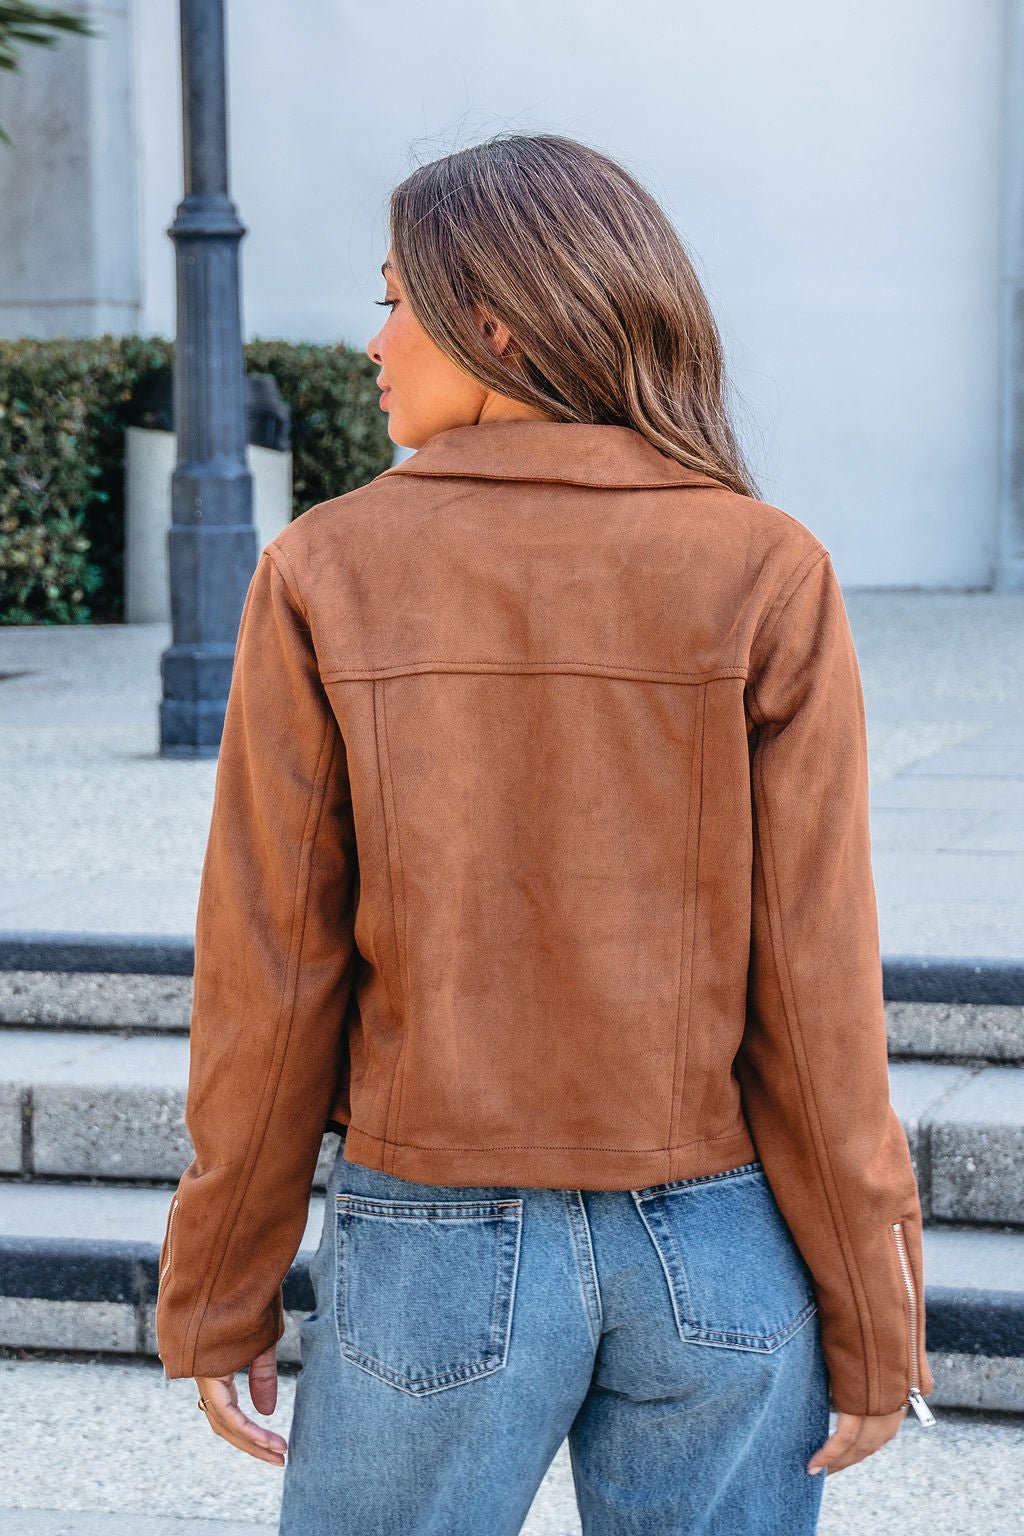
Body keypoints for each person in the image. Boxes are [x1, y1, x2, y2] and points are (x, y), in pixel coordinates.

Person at [155, 131, 936, 1535]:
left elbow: (271, 986)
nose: (374, 343)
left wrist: (221, 1288)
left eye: (398, 299)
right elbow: (819, 990)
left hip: (432, 1240)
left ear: (499, 322)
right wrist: (876, 1313)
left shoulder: (327, 568)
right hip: (720, 1239)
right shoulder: (767, 567)